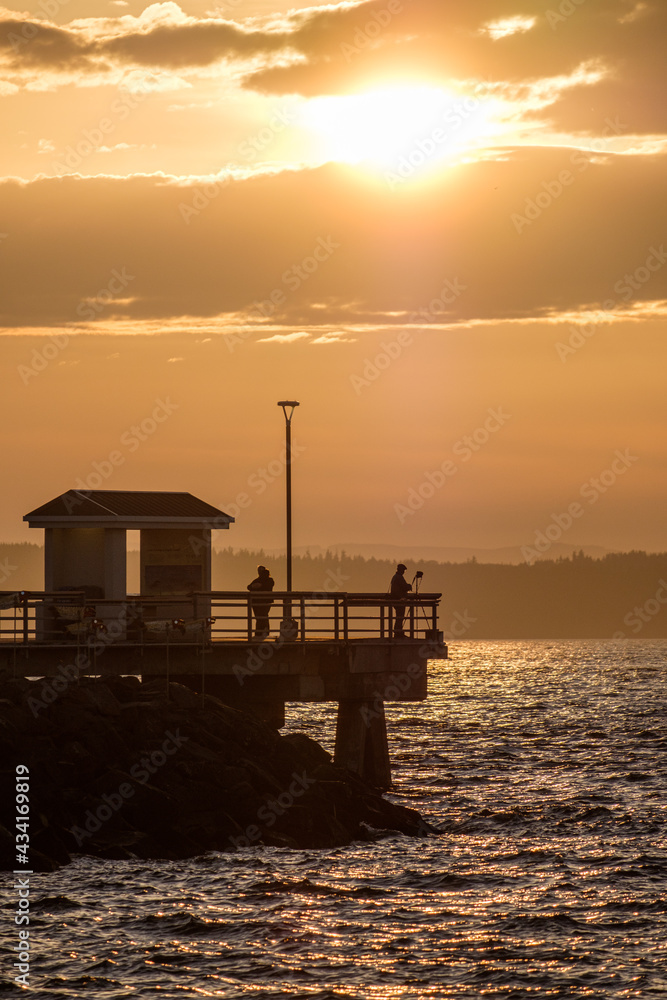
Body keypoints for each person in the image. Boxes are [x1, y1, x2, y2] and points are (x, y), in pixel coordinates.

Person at [247, 565, 274, 639]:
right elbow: (249, 587)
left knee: (260, 618)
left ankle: (259, 633)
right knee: (263, 617)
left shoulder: (261, 580)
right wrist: (254, 586)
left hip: (258, 602)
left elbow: (249, 587)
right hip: (263, 601)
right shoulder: (269, 580)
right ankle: (264, 633)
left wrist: (256, 586)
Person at [390, 563, 412, 638]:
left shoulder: (395, 577)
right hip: (399, 600)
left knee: (399, 617)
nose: (403, 572)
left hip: (396, 600)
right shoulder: (399, 577)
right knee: (400, 617)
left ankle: (398, 632)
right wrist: (409, 586)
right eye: (403, 570)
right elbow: (404, 587)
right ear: (401, 570)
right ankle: (398, 632)